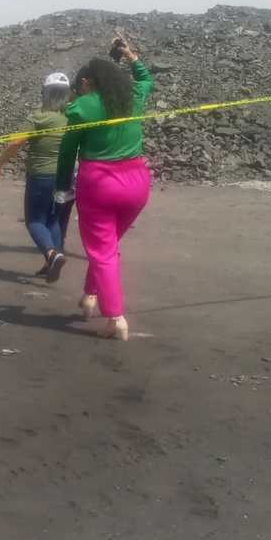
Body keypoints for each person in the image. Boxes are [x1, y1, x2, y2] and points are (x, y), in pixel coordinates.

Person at [54, 38, 153, 341]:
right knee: (107, 247)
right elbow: (145, 79)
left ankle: (115, 318)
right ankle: (90, 294)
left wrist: (62, 187)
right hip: (137, 182)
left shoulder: (81, 107)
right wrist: (131, 56)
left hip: (99, 183)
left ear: (86, 82)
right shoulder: (133, 96)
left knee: (102, 251)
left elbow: (67, 151)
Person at [0, 72, 73, 282]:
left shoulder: (39, 117)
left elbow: (16, 143)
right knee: (53, 219)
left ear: (45, 93)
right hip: (66, 176)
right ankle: (52, 260)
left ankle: (52, 255)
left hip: (42, 175)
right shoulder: (73, 118)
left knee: (35, 220)